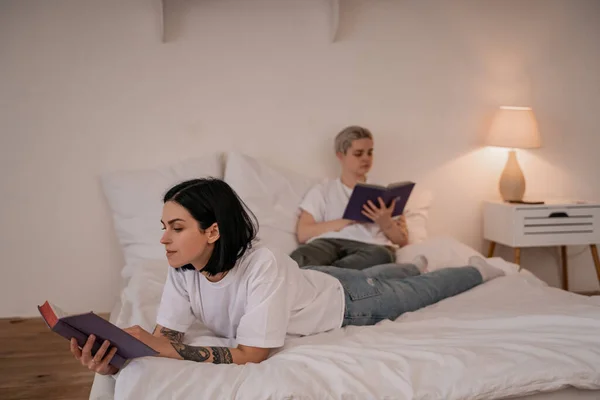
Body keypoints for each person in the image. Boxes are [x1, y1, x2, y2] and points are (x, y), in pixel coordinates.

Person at [70, 178, 504, 374]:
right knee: (375, 270)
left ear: (213, 230)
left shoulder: (265, 264)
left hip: (347, 303)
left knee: (416, 289)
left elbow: (252, 355)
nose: (163, 239)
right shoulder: (185, 268)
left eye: (176, 227)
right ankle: (406, 263)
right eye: (163, 227)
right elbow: (167, 337)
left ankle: (472, 269)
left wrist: (159, 348)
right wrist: (115, 361)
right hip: (310, 280)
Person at [290, 125, 409, 270]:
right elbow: (303, 233)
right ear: (341, 156)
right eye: (358, 153)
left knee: (382, 256)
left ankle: (329, 276)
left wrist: (386, 223)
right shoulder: (323, 190)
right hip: (327, 243)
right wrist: (348, 220)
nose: (366, 158)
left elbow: (402, 241)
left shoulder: (385, 191)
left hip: (371, 247)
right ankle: (336, 277)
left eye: (370, 152)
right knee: (300, 257)